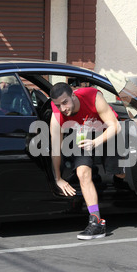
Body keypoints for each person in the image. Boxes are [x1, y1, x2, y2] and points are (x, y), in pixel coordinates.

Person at [49, 82, 125, 240]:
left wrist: (95, 142)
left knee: (119, 175)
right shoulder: (57, 114)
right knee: (82, 173)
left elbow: (115, 126)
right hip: (82, 133)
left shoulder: (92, 96)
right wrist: (58, 178)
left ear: (73, 96)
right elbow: (55, 148)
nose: (63, 108)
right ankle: (96, 222)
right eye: (58, 105)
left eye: (65, 102)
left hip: (107, 131)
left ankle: (119, 178)